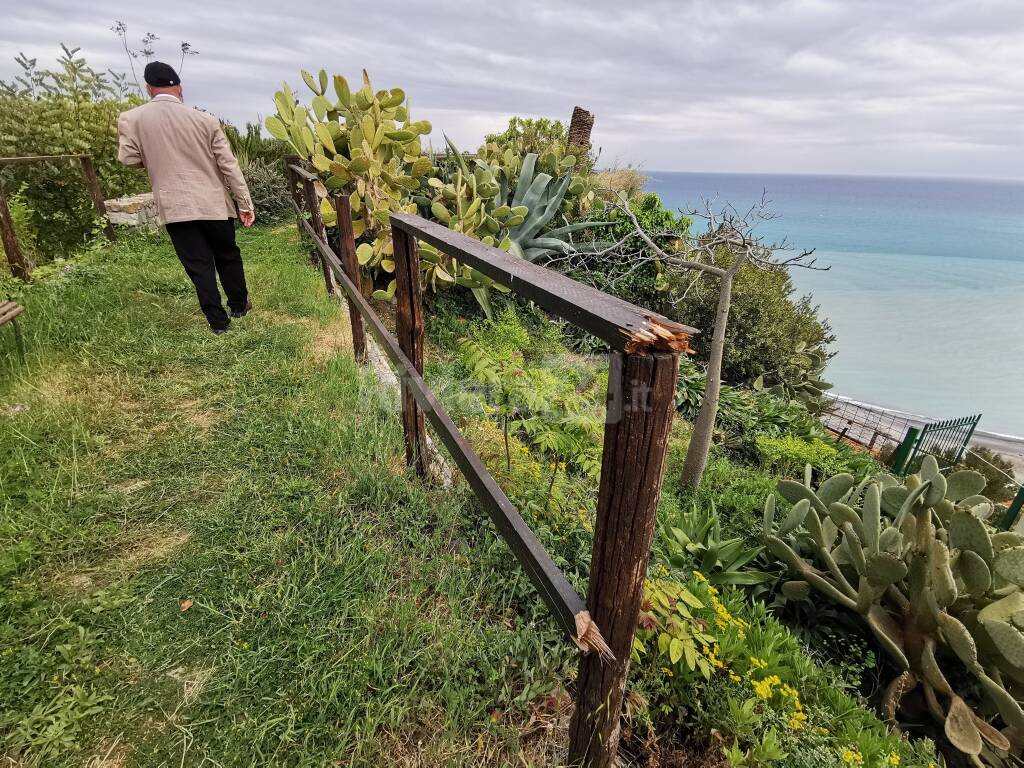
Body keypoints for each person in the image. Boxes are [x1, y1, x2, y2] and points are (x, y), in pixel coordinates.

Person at [117, 61, 255, 334]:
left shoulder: (131, 119)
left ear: (149, 88)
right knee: (228, 255)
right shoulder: (205, 120)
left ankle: (218, 323)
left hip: (175, 207)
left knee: (198, 264)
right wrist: (244, 203)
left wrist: (155, 159)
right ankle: (239, 305)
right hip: (214, 204)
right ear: (179, 88)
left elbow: (128, 158)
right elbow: (229, 165)